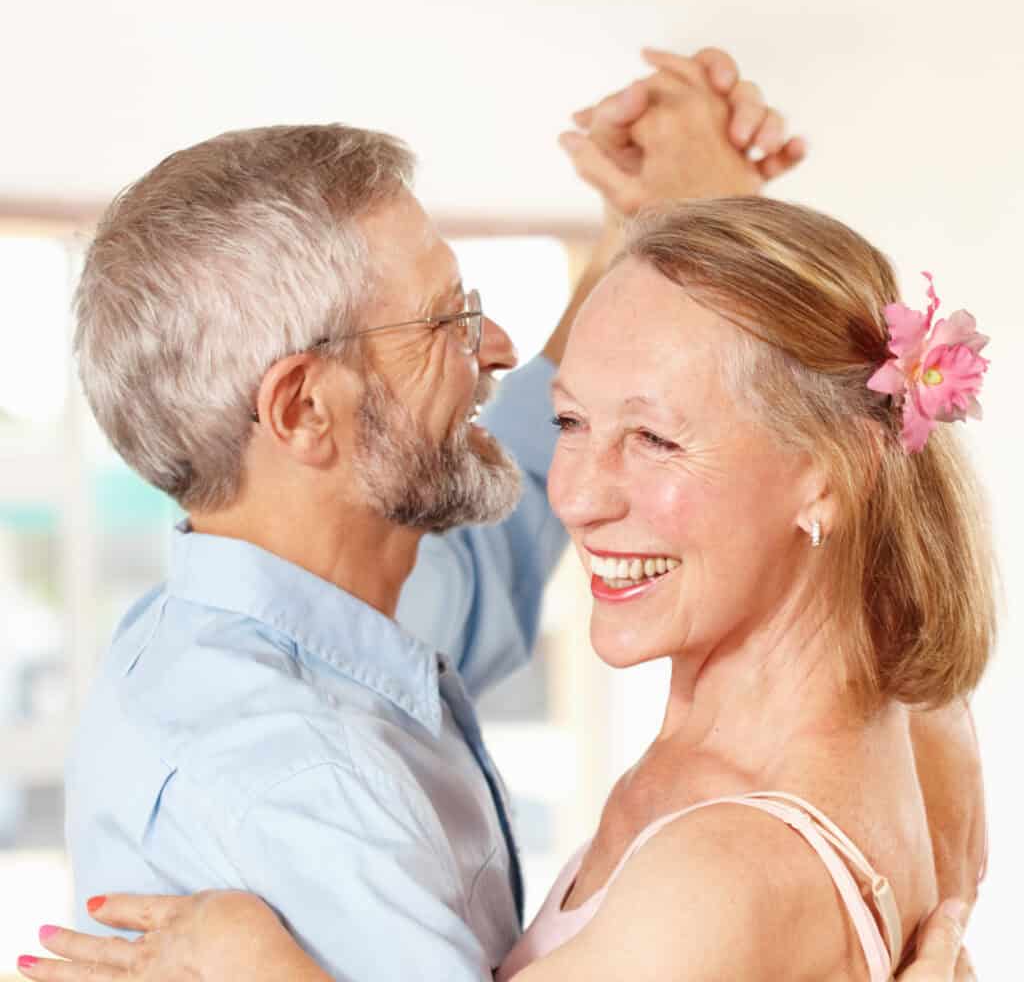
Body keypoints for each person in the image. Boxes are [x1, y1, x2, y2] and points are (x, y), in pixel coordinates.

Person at [17, 59, 982, 982]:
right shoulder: (309, 779)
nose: (571, 491)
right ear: (305, 410)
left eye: (643, 436)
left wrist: (674, 228)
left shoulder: (319, 625)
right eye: (447, 321)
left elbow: (535, 516)